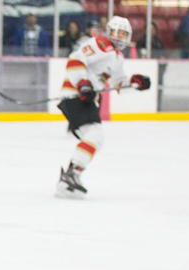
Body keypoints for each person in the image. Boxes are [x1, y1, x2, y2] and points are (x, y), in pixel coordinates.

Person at [56, 16, 151, 198]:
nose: (120, 37)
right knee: (95, 136)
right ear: (109, 31)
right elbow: (75, 60)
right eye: (117, 32)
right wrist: (82, 84)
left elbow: (118, 82)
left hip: (86, 98)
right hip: (75, 94)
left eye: (124, 34)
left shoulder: (117, 57)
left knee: (96, 139)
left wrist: (135, 82)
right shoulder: (99, 44)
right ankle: (71, 174)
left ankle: (71, 174)